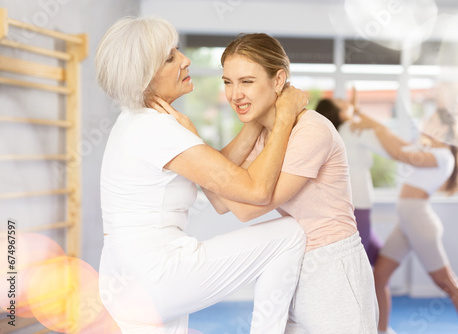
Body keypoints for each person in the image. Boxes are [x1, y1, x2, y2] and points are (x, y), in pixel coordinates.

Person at [95, 16, 309, 334]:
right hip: (156, 274)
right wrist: (285, 115)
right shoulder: (157, 129)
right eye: (170, 58)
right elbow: (256, 190)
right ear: (144, 77)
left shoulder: (135, 122)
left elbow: (218, 181)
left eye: (177, 50)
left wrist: (254, 116)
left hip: (122, 278)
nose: (185, 59)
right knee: (290, 233)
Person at [165, 32, 378, 333]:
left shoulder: (311, 131)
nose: (234, 94)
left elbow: (246, 208)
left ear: (279, 80)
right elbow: (218, 198)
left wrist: (197, 148)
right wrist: (246, 128)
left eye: (247, 82)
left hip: (332, 267)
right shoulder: (265, 136)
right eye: (228, 82)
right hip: (289, 262)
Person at [350, 109, 458, 334]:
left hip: (419, 223)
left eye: (431, 119)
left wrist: (376, 128)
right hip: (407, 222)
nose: (426, 121)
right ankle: (382, 330)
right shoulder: (427, 148)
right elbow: (396, 142)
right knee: (379, 275)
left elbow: (400, 154)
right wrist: (364, 117)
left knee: (447, 283)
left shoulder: (443, 156)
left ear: (443, 130)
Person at [316, 91, 390, 265]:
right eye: (341, 101)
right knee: (361, 265)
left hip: (350, 205)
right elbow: (388, 146)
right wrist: (359, 114)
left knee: (380, 263)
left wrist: (356, 112)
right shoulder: (351, 129)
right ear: (341, 114)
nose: (345, 100)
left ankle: (379, 290)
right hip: (358, 206)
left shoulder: (336, 134)